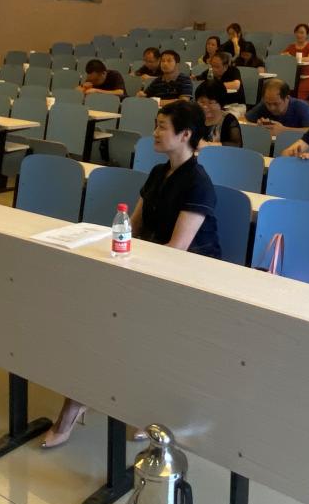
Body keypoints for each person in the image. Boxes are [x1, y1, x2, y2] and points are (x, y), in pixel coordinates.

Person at [42, 100, 221, 448]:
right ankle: (82, 399)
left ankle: (86, 407)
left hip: (189, 279)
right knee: (93, 315)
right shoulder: (158, 173)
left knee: (119, 325)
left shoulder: (199, 184)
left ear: (185, 135)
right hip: (148, 265)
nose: (155, 132)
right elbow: (131, 227)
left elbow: (176, 251)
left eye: (162, 126)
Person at [245, 79, 309, 134]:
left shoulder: (301, 107)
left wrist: (284, 130)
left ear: (287, 98)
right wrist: (257, 126)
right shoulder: (263, 105)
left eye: (276, 104)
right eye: (268, 104)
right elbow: (244, 121)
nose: (271, 108)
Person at [195, 80, 243, 147]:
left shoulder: (228, 120)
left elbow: (237, 145)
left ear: (221, 104)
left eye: (211, 102)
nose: (205, 107)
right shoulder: (193, 116)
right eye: (202, 102)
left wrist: (208, 145)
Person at [282, 23, 309, 97]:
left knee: (298, 93)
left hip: (306, 77)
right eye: (297, 32)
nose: (299, 35)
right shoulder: (291, 46)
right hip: (292, 76)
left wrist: (292, 58)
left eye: (302, 33)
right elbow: (282, 56)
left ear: (307, 35)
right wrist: (286, 56)